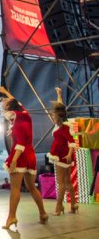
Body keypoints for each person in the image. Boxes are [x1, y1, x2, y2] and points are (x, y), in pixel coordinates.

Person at [0, 86, 48, 229]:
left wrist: (13, 160)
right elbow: (17, 102)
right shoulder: (25, 115)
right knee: (32, 187)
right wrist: (5, 91)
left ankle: (11, 217)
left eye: (4, 102)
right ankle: (43, 213)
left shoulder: (17, 120)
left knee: (15, 189)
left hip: (19, 156)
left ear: (9, 109)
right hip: (30, 155)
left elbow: (19, 144)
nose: (2, 103)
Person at [47, 87, 78, 215]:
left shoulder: (64, 127)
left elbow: (72, 142)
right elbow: (60, 107)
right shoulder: (59, 125)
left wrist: (69, 154)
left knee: (61, 183)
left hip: (62, 156)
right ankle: (73, 205)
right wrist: (59, 94)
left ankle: (59, 207)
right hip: (63, 155)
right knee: (67, 181)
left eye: (53, 116)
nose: (52, 117)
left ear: (58, 117)